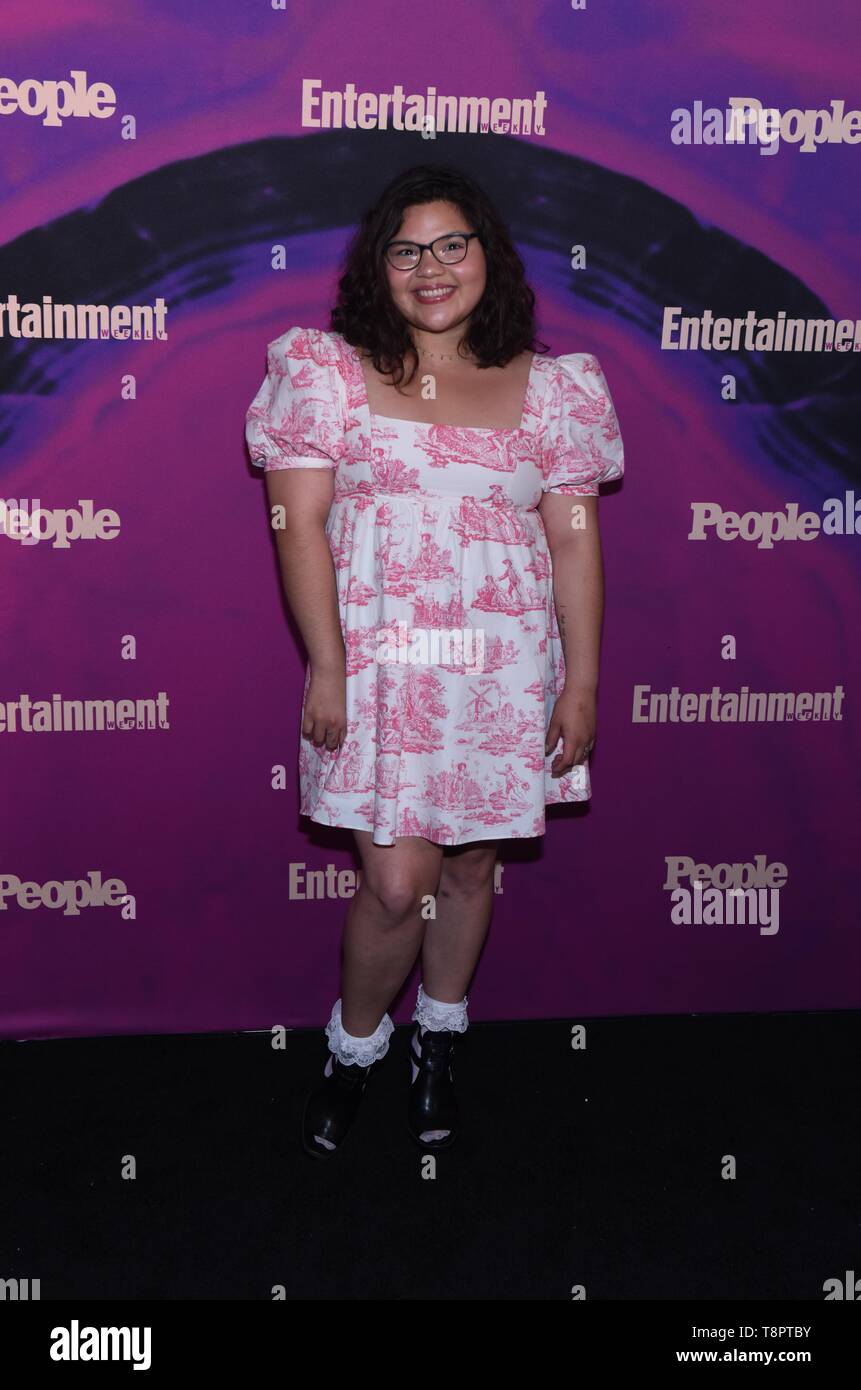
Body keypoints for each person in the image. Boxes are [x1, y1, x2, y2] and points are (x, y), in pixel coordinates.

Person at [245, 164, 624, 1158]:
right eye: (408, 247)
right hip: (380, 669)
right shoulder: (327, 374)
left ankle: (439, 1039)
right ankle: (356, 1043)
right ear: (381, 266)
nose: (432, 265)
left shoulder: (553, 391)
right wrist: (325, 666)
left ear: (487, 257)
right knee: (394, 880)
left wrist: (579, 680)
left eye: (453, 242)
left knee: (469, 868)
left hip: (501, 674)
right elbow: (300, 527)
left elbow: (576, 539)